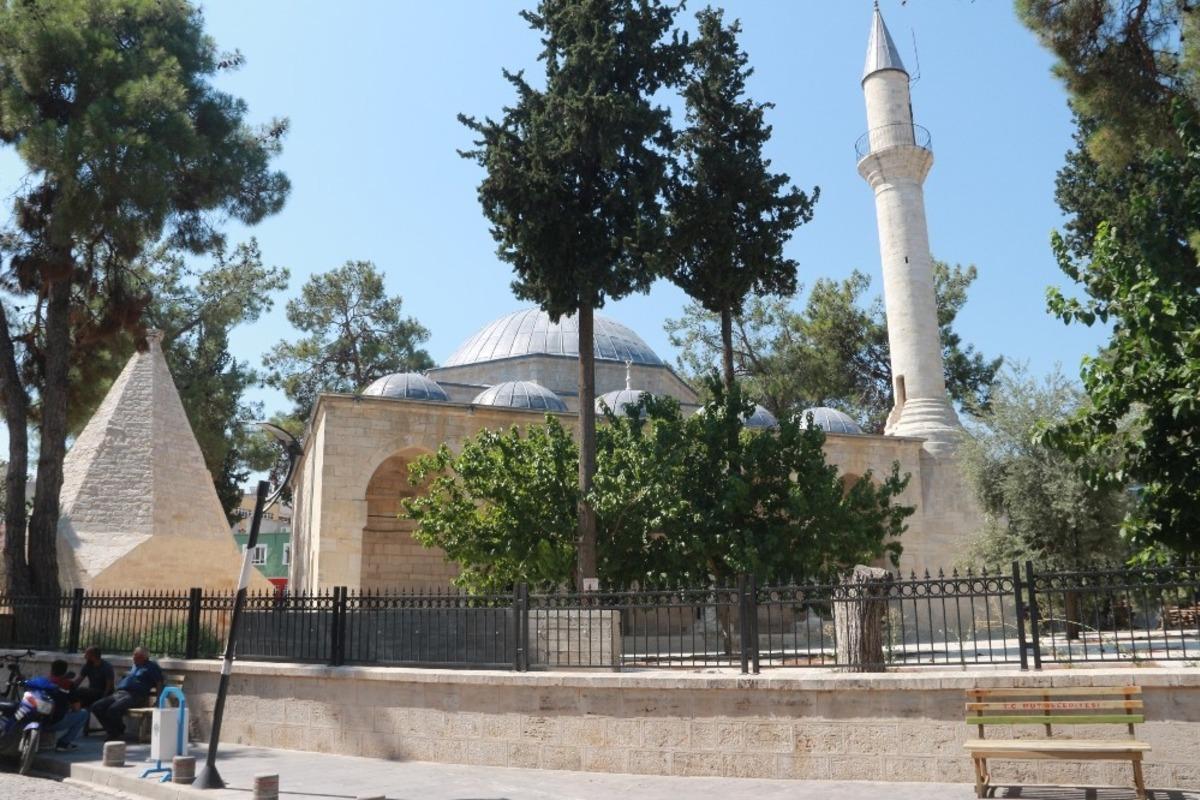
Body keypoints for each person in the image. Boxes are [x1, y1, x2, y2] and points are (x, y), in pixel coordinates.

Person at [89, 647, 163, 741]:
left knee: (113, 710)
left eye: (136, 655)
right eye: (133, 655)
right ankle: (116, 730)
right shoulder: (135, 665)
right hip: (120, 693)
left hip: (136, 695)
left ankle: (114, 733)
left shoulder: (151, 666)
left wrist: (158, 699)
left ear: (143, 657)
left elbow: (159, 682)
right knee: (96, 707)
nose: (133, 657)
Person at [46, 660, 88, 751]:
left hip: (39, 719)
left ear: (51, 670)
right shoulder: (68, 684)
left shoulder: (44, 681)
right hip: (55, 722)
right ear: (65, 671)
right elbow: (77, 707)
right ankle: (64, 743)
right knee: (83, 713)